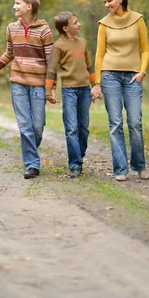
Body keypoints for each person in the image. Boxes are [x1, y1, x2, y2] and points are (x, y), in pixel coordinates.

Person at [91, 0, 149, 181]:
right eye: (104, 2)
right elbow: (99, 54)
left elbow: (146, 50)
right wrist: (97, 83)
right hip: (110, 76)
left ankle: (139, 165)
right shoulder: (104, 24)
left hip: (133, 76)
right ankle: (120, 169)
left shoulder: (137, 19)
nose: (107, 5)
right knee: (115, 123)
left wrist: (142, 72)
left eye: (110, 1)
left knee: (135, 122)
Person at [0, 0, 53, 179]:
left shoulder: (44, 30)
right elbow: (10, 53)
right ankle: (32, 164)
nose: (14, 6)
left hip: (38, 85)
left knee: (37, 126)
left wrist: (51, 88)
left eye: (18, 3)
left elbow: (51, 60)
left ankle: (30, 151)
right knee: (25, 125)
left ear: (29, 7)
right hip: (18, 83)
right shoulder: (11, 28)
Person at [46, 12, 95, 178]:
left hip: (85, 90)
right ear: (66, 28)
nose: (79, 24)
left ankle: (79, 155)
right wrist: (49, 91)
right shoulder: (58, 46)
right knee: (71, 128)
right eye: (75, 22)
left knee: (83, 128)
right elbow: (51, 70)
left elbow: (90, 66)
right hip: (69, 91)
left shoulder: (83, 42)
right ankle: (75, 164)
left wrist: (96, 86)